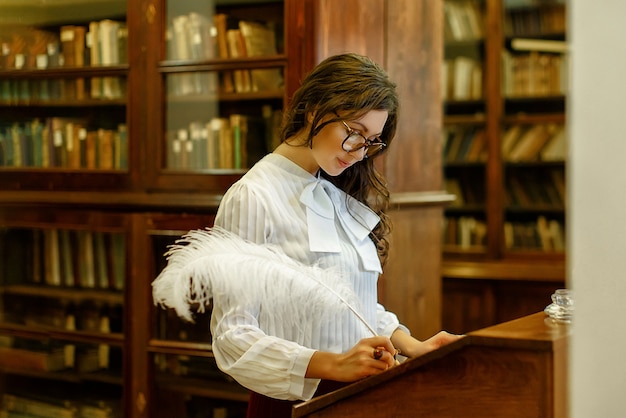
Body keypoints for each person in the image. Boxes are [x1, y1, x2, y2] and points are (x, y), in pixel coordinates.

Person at [153, 53, 461, 418]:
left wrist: (412, 345)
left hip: (359, 396)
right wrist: (330, 364)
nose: (360, 153)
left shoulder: (332, 193)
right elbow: (232, 336)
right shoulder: (254, 196)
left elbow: (349, 306)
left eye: (371, 142)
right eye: (354, 133)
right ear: (315, 110)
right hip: (295, 405)